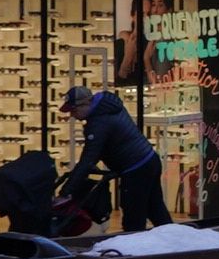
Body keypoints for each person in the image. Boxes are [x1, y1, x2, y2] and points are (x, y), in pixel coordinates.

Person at [59, 84, 169, 232]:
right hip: (149, 160)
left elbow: (89, 158)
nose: (72, 115)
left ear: (86, 103)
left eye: (74, 110)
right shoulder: (108, 106)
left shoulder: (99, 123)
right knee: (155, 209)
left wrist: (67, 191)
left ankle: (135, 251)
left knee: (133, 216)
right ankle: (177, 244)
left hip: (135, 169)